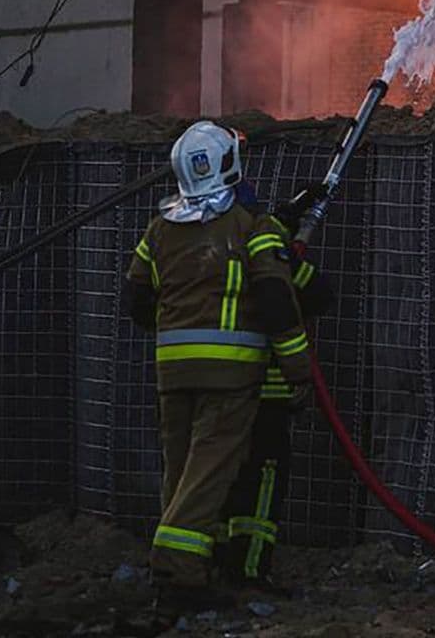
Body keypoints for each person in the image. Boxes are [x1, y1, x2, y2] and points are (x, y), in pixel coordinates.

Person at [122, 122, 315, 614]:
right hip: (230, 377)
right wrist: (297, 367)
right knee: (209, 472)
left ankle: (187, 563)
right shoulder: (251, 226)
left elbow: (136, 300)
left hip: (172, 373)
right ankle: (177, 569)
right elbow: (276, 301)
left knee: (181, 472)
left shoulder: (159, 228)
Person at [218, 182, 333, 592]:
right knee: (263, 480)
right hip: (264, 391)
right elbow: (316, 295)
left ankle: (210, 567)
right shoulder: (267, 253)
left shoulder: (201, 247)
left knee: (216, 478)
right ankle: (248, 571)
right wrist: (285, 248)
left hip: (215, 391)